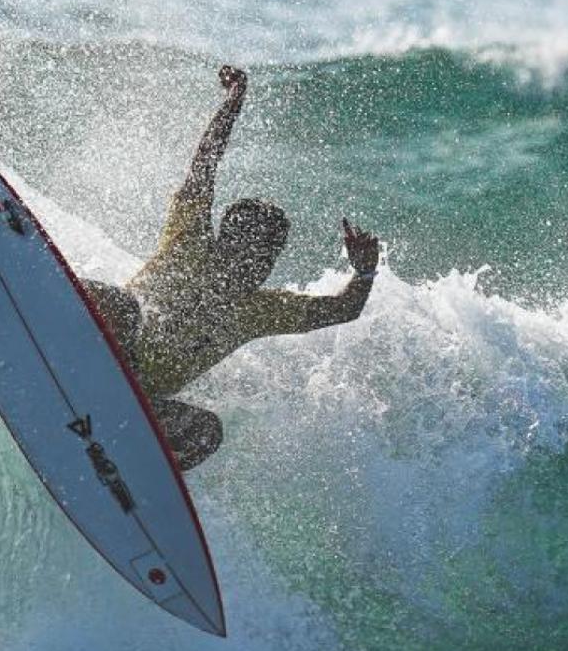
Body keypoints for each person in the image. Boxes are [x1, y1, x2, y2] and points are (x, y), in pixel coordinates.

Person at [83, 65, 380, 472]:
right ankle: (37, 305)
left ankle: (126, 470)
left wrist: (364, 273)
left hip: (139, 400)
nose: (259, 266)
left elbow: (344, 309)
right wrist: (232, 104)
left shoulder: (257, 309)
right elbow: (204, 164)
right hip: (98, 345)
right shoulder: (189, 239)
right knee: (125, 308)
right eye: (253, 253)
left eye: (266, 259)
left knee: (206, 431)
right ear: (228, 242)